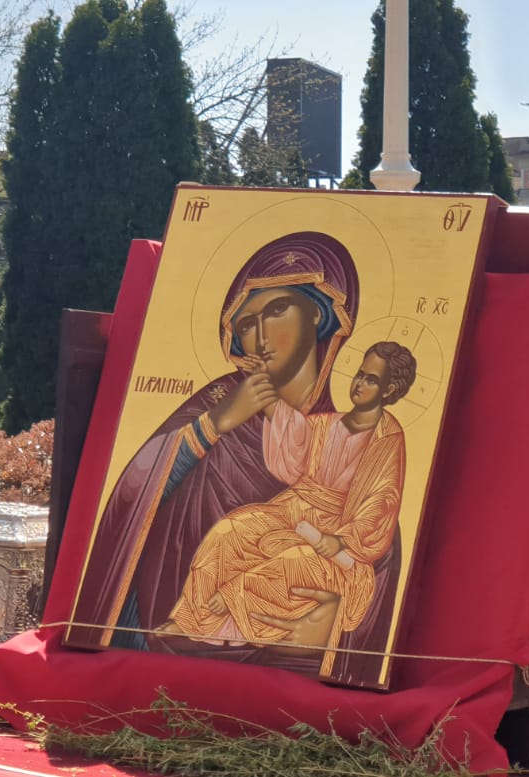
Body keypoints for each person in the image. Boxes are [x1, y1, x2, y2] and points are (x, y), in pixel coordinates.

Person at [68, 232, 403, 684]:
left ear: (319, 312)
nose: (260, 337)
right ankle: (196, 617)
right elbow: (133, 500)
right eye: (246, 324)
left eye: (277, 309)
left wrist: (336, 623)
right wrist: (214, 425)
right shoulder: (217, 402)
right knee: (231, 532)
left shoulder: (356, 431)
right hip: (161, 657)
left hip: (291, 666)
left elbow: (379, 535)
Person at [167, 343, 414, 664]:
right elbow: (294, 437)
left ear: (389, 390)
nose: (359, 384)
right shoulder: (327, 424)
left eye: (371, 380)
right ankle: (191, 619)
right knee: (231, 530)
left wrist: (340, 540)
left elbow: (383, 501)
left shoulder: (386, 439)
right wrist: (264, 384)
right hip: (293, 511)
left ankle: (228, 613)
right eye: (359, 374)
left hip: (339, 538)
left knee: (293, 561)